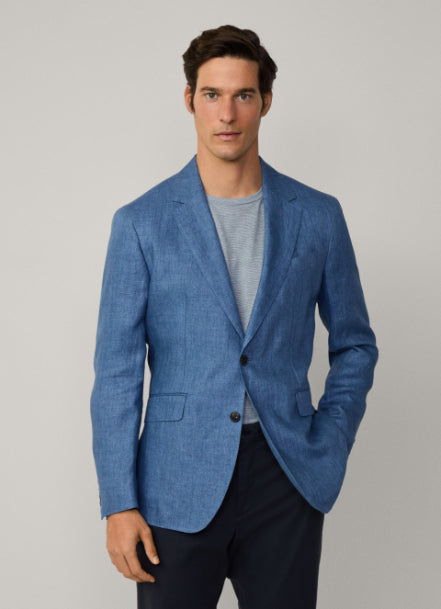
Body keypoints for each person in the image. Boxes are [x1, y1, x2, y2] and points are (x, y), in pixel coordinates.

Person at [90, 24, 379, 609]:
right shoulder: (140, 223)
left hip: (285, 474)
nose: (227, 113)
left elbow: (355, 344)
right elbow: (117, 374)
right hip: (174, 482)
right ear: (189, 99)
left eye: (243, 95)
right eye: (212, 95)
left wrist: (329, 439)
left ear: (266, 101)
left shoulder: (318, 216)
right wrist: (119, 502)